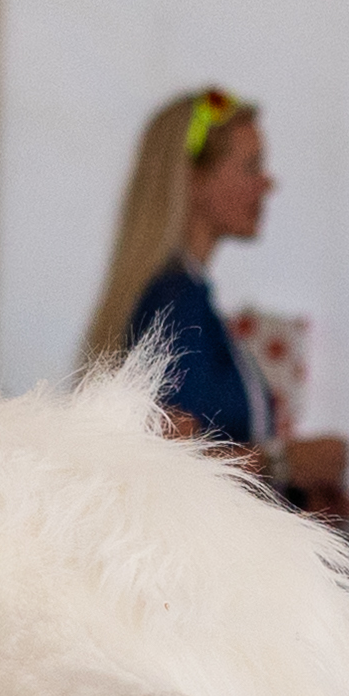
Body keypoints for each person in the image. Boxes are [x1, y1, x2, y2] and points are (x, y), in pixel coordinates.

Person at [83, 85, 278, 453]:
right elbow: (171, 450)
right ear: (195, 179)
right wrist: (285, 463)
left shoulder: (183, 294)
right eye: (251, 166)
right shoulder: (177, 299)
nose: (268, 183)